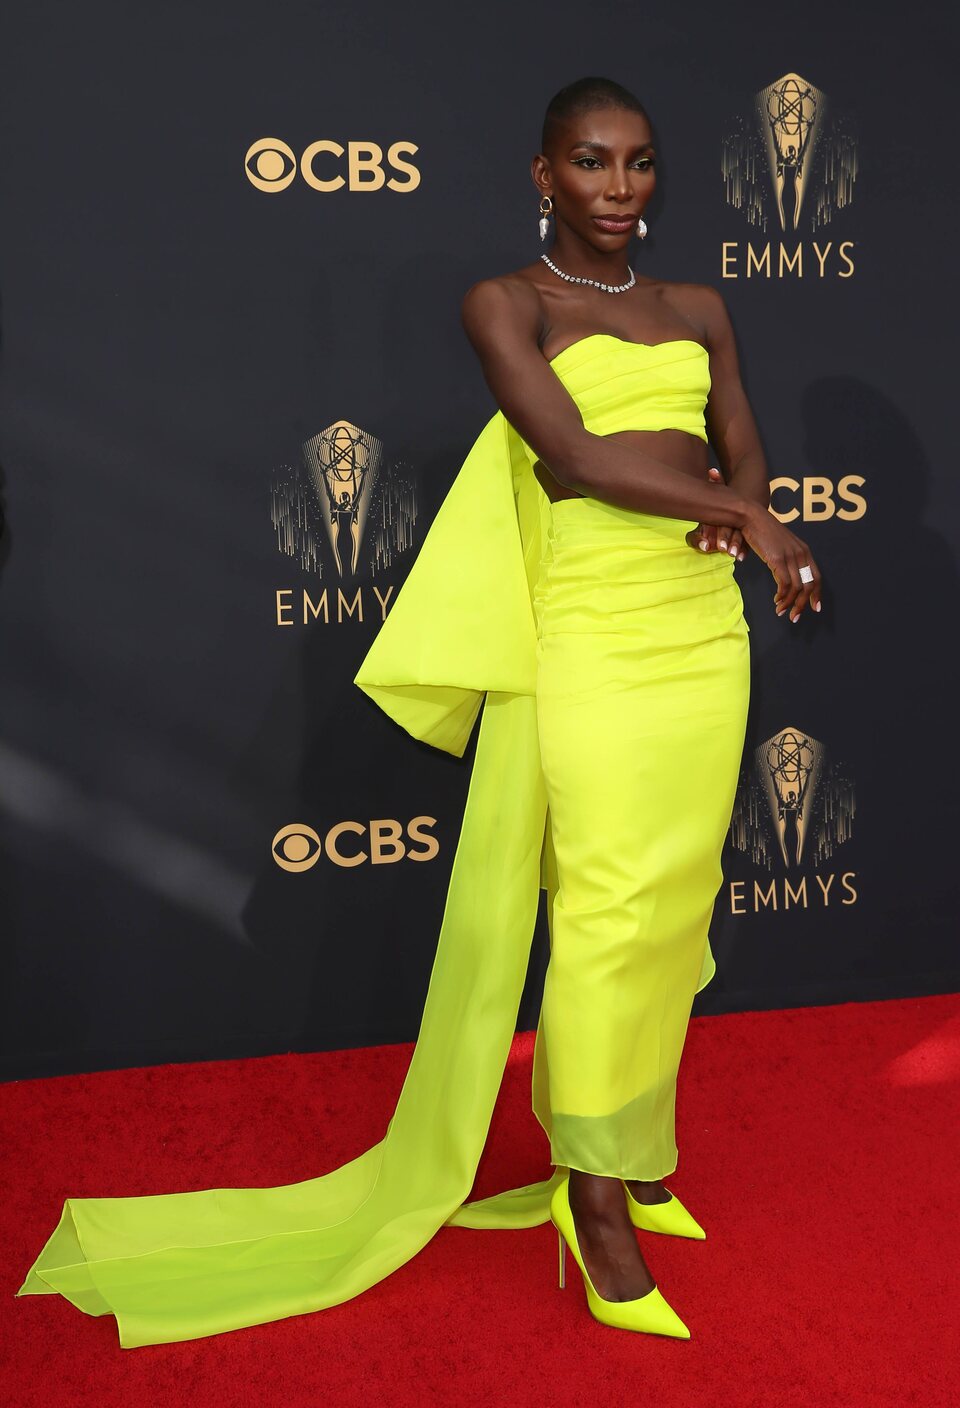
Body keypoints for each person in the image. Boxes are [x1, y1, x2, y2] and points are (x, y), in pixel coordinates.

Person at [16, 75, 822, 1349]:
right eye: (591, 162)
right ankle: (595, 1198)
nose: (619, 188)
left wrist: (749, 498)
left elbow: (740, 435)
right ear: (543, 174)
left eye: (641, 164)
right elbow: (571, 458)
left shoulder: (700, 306)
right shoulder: (506, 303)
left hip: (700, 631)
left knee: (671, 899)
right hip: (592, 631)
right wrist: (749, 517)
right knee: (610, 902)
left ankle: (630, 1140)